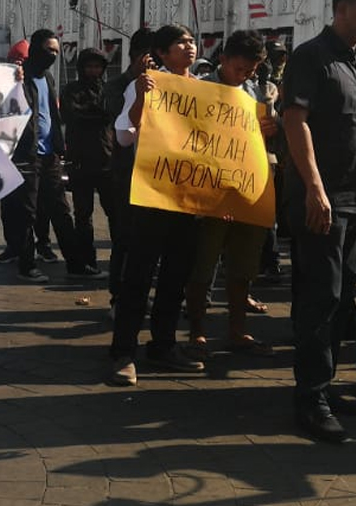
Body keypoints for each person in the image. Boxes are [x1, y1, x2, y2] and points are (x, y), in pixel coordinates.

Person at [280, 0, 356, 444]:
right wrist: (315, 189)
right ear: (341, 9)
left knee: (344, 298)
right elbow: (295, 123)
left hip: (355, 200)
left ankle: (324, 383)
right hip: (321, 200)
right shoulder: (311, 57)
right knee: (320, 297)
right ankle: (311, 398)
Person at [108, 24, 206, 386]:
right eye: (181, 43)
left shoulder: (204, 90)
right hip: (150, 196)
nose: (190, 47)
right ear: (162, 53)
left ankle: (163, 345)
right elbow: (123, 137)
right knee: (138, 275)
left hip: (187, 199)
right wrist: (141, 99)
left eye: (192, 41)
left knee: (176, 275)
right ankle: (123, 352)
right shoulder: (146, 84)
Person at [185, 31, 279, 360]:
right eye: (241, 68)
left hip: (248, 191)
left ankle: (237, 330)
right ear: (223, 59)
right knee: (202, 266)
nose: (246, 75)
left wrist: (273, 126)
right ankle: (197, 331)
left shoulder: (258, 93)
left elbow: (268, 136)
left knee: (243, 266)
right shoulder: (199, 90)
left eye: (252, 70)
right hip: (209, 193)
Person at [0, 28, 100, 283]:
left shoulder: (48, 78)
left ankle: (76, 264)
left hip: (49, 155)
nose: (53, 55)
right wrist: (12, 77)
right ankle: (27, 265)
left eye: (56, 51)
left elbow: (52, 115)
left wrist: (59, 145)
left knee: (61, 211)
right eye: (49, 50)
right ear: (34, 49)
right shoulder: (18, 78)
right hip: (26, 155)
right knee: (27, 214)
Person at [102, 29, 154, 307]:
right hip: (125, 172)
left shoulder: (165, 83)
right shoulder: (116, 85)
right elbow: (116, 116)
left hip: (155, 173)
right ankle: (118, 296)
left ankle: (141, 293)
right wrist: (136, 80)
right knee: (124, 237)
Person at [60, 48, 118, 275]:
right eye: (89, 67)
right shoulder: (71, 90)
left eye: (97, 67)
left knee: (114, 212)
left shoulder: (107, 90)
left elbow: (114, 113)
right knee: (83, 215)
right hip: (80, 161)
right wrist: (100, 113)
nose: (93, 71)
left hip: (107, 160)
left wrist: (98, 113)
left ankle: (118, 257)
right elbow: (73, 115)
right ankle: (86, 261)